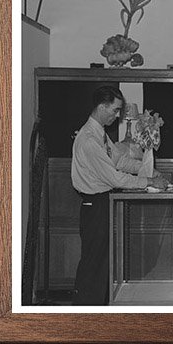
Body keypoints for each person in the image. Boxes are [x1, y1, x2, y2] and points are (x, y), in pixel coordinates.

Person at [71, 85, 165, 305]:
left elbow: (119, 161)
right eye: (114, 110)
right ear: (102, 107)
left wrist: (147, 169)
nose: (117, 116)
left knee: (102, 262)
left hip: (102, 203)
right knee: (93, 263)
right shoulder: (88, 140)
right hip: (93, 205)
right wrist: (149, 181)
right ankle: (84, 314)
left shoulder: (99, 134)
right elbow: (114, 178)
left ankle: (99, 310)